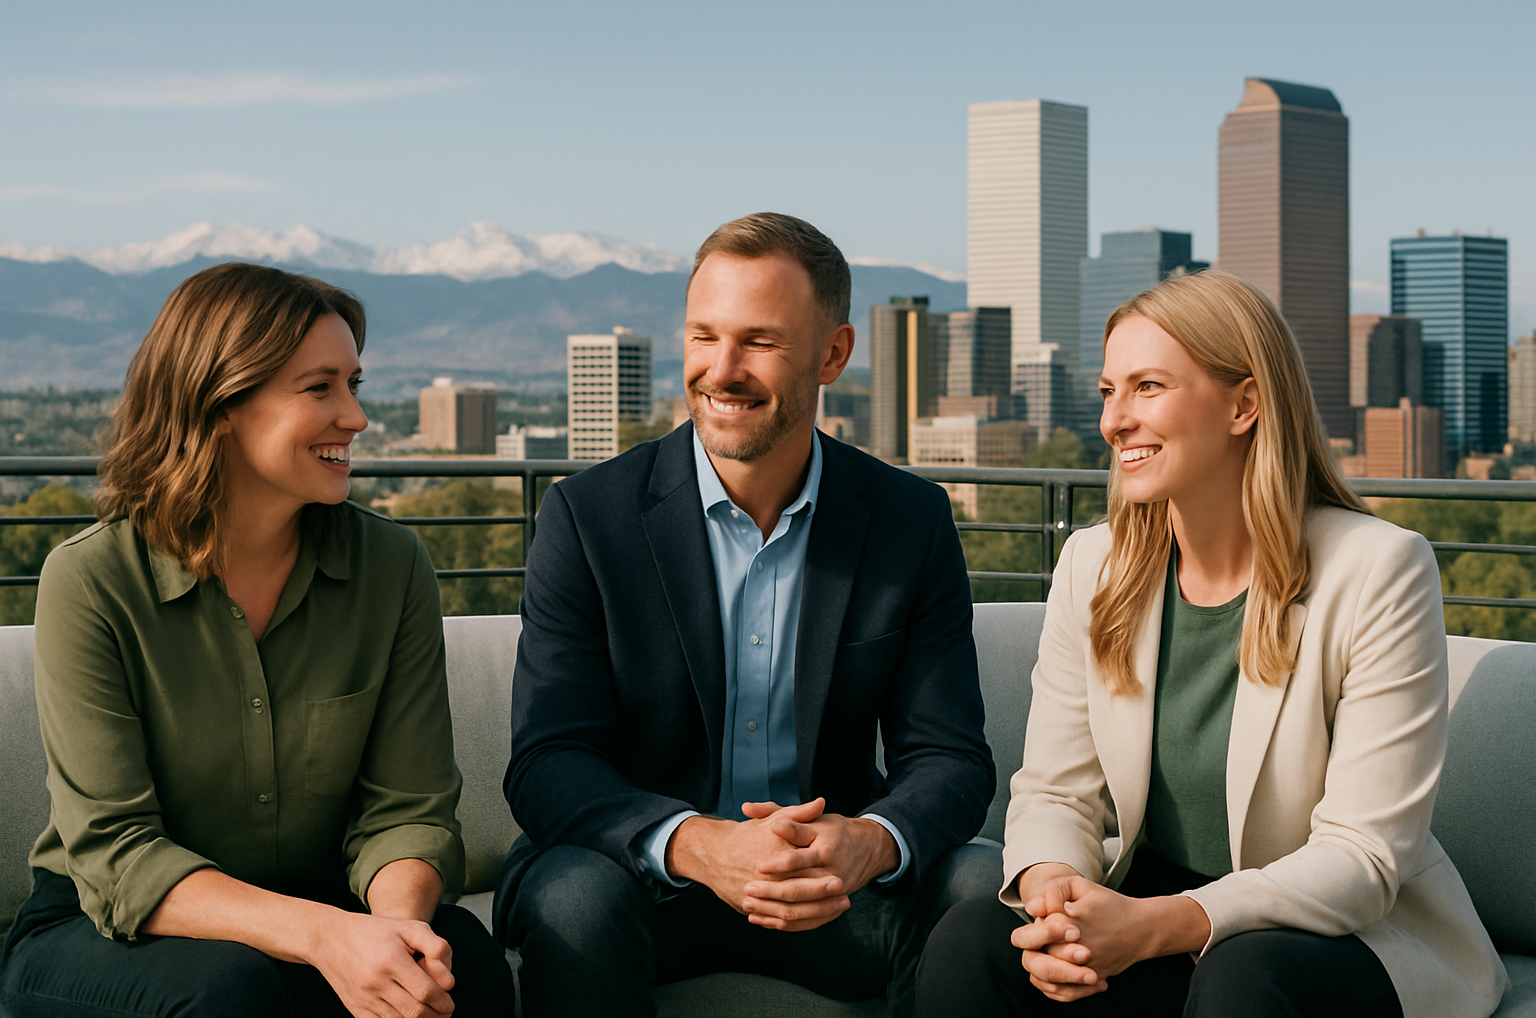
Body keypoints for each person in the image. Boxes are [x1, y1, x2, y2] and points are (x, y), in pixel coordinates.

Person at [915, 270, 1509, 1018]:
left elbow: (1362, 857)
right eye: (1108, 392)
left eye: (1149, 387)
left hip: (1334, 935)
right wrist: (1054, 899)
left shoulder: (1379, 569)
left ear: (1244, 404)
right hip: (1150, 906)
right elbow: (1057, 790)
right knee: (975, 941)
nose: (1115, 421)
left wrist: (1157, 926)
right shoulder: (1092, 567)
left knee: (1241, 975)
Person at [494, 212, 998, 1017]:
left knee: (980, 881)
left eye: (759, 342)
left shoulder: (910, 520)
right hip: (635, 880)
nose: (720, 370)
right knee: (574, 897)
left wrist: (868, 843)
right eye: (703, 337)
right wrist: (698, 844)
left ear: (834, 354)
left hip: (831, 890)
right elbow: (548, 760)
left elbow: (951, 757)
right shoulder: (588, 517)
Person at [0, 263, 513, 1018]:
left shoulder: (391, 567)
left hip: (321, 906)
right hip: (107, 930)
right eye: (320, 389)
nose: (357, 418)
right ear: (220, 404)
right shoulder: (92, 582)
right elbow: (117, 855)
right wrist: (326, 938)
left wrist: (394, 938)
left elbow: (407, 810)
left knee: (456, 960)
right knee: (226, 989)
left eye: (354, 385)